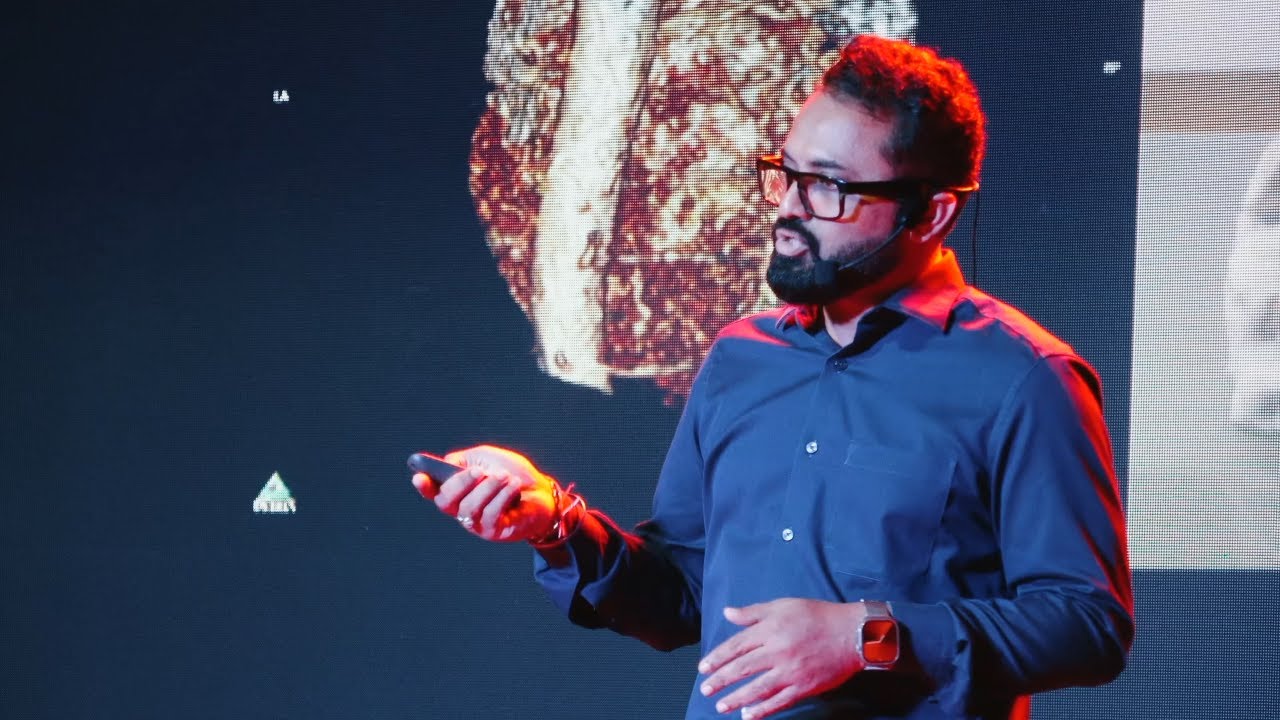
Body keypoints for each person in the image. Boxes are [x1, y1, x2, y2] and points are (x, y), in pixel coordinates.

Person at [414, 35, 1134, 720]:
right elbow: (682, 594)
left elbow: (1086, 624)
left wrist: (866, 636)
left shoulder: (1025, 379)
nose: (789, 208)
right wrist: (552, 521)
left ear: (931, 214)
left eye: (828, 187)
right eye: (786, 174)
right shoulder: (742, 358)